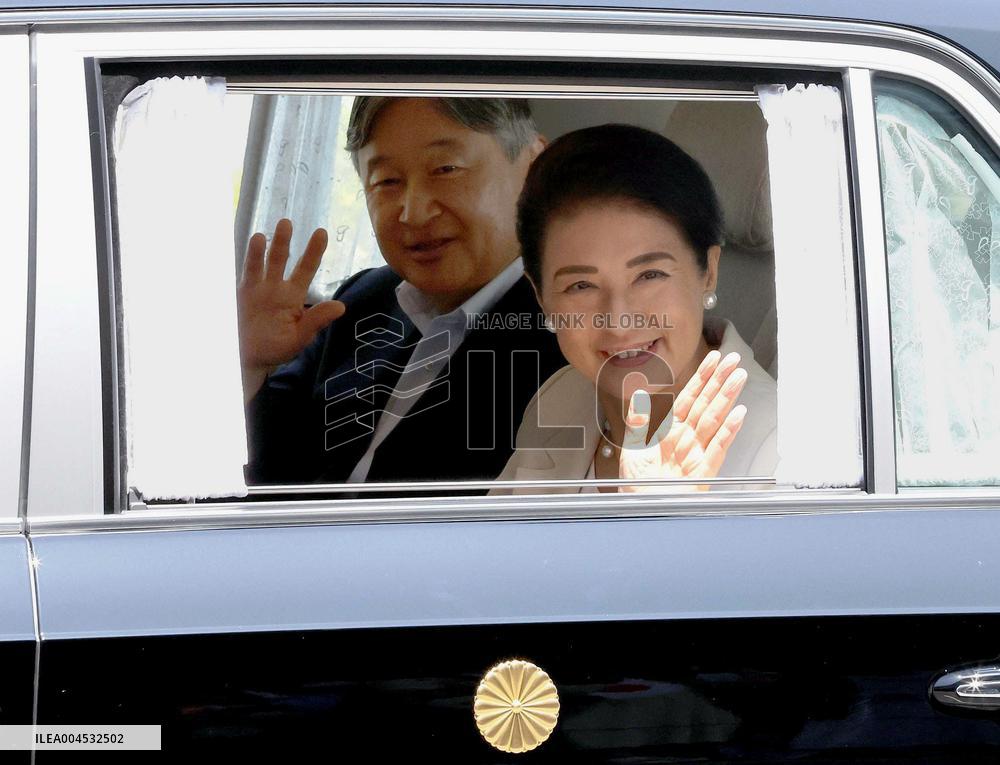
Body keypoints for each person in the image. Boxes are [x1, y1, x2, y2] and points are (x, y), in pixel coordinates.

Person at [240, 97, 566, 485]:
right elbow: (268, 470)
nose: (414, 212)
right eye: (387, 181)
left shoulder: (577, 340)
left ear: (535, 166)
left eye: (446, 169)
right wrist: (247, 365)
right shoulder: (360, 300)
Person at [493, 123, 778, 494]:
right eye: (581, 285)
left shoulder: (782, 450)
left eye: (650, 275)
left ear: (708, 271)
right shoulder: (562, 396)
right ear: (541, 294)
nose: (619, 319)